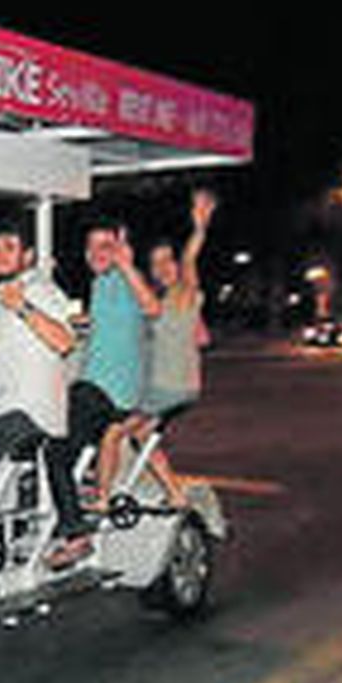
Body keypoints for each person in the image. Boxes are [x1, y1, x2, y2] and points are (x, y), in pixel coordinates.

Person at [0, 220, 94, 575]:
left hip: (27, 412)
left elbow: (65, 341)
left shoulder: (38, 289)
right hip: (5, 407)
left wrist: (23, 308)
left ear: (28, 255)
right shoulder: (6, 295)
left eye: (9, 247)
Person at [53, 220, 161, 518]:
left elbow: (152, 308)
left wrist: (126, 265)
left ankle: (71, 525)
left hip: (105, 387)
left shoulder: (124, 277)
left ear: (120, 249)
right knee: (106, 438)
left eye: (105, 246)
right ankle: (101, 497)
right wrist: (82, 322)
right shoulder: (100, 283)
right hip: (113, 389)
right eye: (91, 247)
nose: (96, 253)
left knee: (53, 448)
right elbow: (117, 320)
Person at [124, 189, 215, 508]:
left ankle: (107, 493)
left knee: (112, 430)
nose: (162, 268)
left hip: (169, 386)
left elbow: (191, 259)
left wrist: (199, 228)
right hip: (175, 386)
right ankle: (174, 493)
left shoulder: (184, 293)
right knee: (138, 434)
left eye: (167, 260)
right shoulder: (159, 301)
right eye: (155, 263)